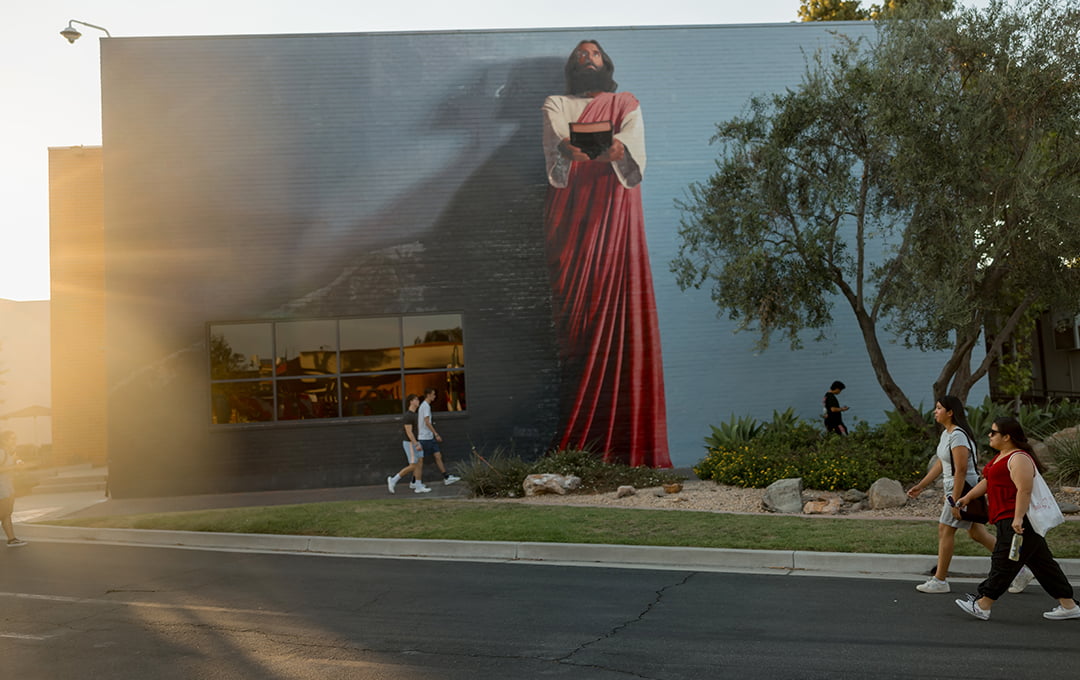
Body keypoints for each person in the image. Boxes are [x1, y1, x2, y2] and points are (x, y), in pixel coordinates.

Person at [541, 40, 671, 468]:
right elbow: (558, 138)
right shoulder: (556, 102)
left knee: (619, 309)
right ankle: (581, 449)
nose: (587, 58)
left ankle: (627, 449)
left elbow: (631, 152)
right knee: (578, 317)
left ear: (606, 63)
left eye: (594, 53)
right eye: (581, 54)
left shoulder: (624, 102)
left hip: (614, 211)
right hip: (572, 214)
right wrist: (567, 148)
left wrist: (617, 150)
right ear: (572, 66)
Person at [953, 417, 1080, 621]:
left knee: (1004, 561)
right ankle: (1069, 605)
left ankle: (984, 604)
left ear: (1007, 436)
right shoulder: (1001, 457)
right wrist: (967, 497)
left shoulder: (1019, 458)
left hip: (1019, 521)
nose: (989, 435)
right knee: (1043, 565)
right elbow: (988, 481)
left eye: (993, 432)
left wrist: (1018, 518)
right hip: (1008, 519)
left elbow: (1025, 490)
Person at [906, 396, 995, 593]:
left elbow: (961, 470)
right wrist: (921, 485)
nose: (935, 411)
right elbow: (941, 464)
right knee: (977, 533)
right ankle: (1021, 568)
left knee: (944, 530)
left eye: (939, 408)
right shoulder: (947, 434)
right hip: (955, 488)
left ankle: (940, 580)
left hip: (963, 488)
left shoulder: (958, 435)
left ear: (950, 412)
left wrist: (956, 501)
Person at [414, 388, 460, 487]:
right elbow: (427, 422)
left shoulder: (425, 406)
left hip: (429, 437)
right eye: (433, 394)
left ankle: (446, 477)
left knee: (438, 456)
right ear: (428, 395)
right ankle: (415, 481)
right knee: (420, 461)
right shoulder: (425, 406)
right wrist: (436, 434)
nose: (435, 396)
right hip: (425, 438)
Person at [387, 395, 432, 494]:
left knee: (419, 463)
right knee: (413, 465)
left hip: (417, 441)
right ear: (411, 402)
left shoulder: (415, 415)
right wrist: (416, 444)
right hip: (410, 443)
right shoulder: (408, 416)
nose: (418, 401)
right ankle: (393, 480)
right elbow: (409, 432)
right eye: (416, 399)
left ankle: (418, 485)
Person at [0, 431, 28, 547]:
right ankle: (11, 539)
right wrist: (14, 466)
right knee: (4, 513)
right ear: (5, 440)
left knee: (7, 513)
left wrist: (19, 462)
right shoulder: (1, 452)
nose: (15, 440)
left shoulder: (10, 452)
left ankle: (11, 540)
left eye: (15, 438)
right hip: (1, 487)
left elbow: (15, 459)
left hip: (8, 485)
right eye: (12, 439)